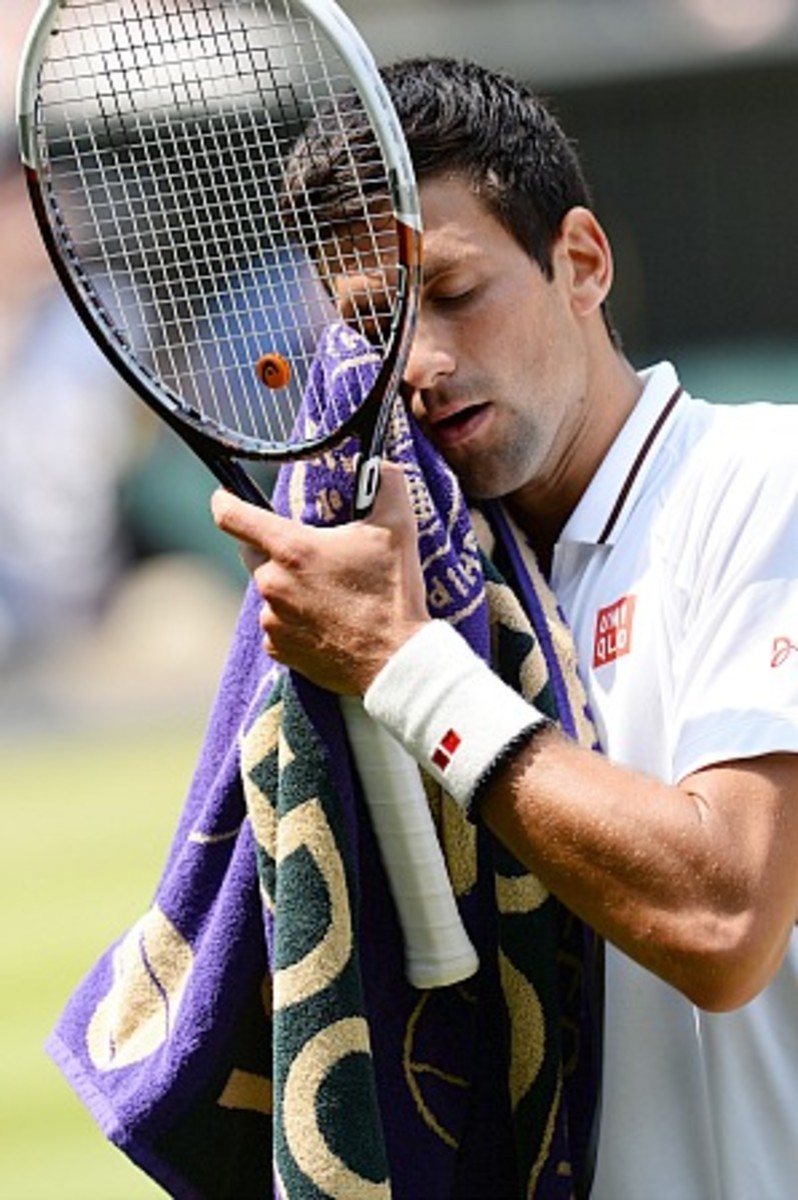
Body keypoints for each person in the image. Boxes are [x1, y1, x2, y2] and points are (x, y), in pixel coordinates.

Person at [211, 57, 798, 1200]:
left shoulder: (763, 481)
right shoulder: (433, 585)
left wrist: (408, 671)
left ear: (581, 262)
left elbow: (726, 915)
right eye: (373, 325)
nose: (420, 365)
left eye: (457, 292)